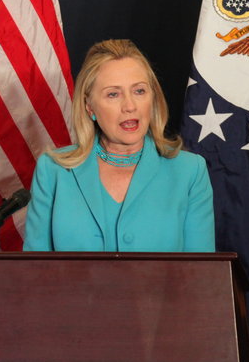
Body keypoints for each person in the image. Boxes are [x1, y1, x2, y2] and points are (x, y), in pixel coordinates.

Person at [23, 39, 215, 252]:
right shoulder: (53, 171)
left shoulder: (190, 171)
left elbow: (200, 276)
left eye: (139, 91)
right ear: (89, 107)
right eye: (113, 94)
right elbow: (34, 274)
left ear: (153, 98)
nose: (130, 106)